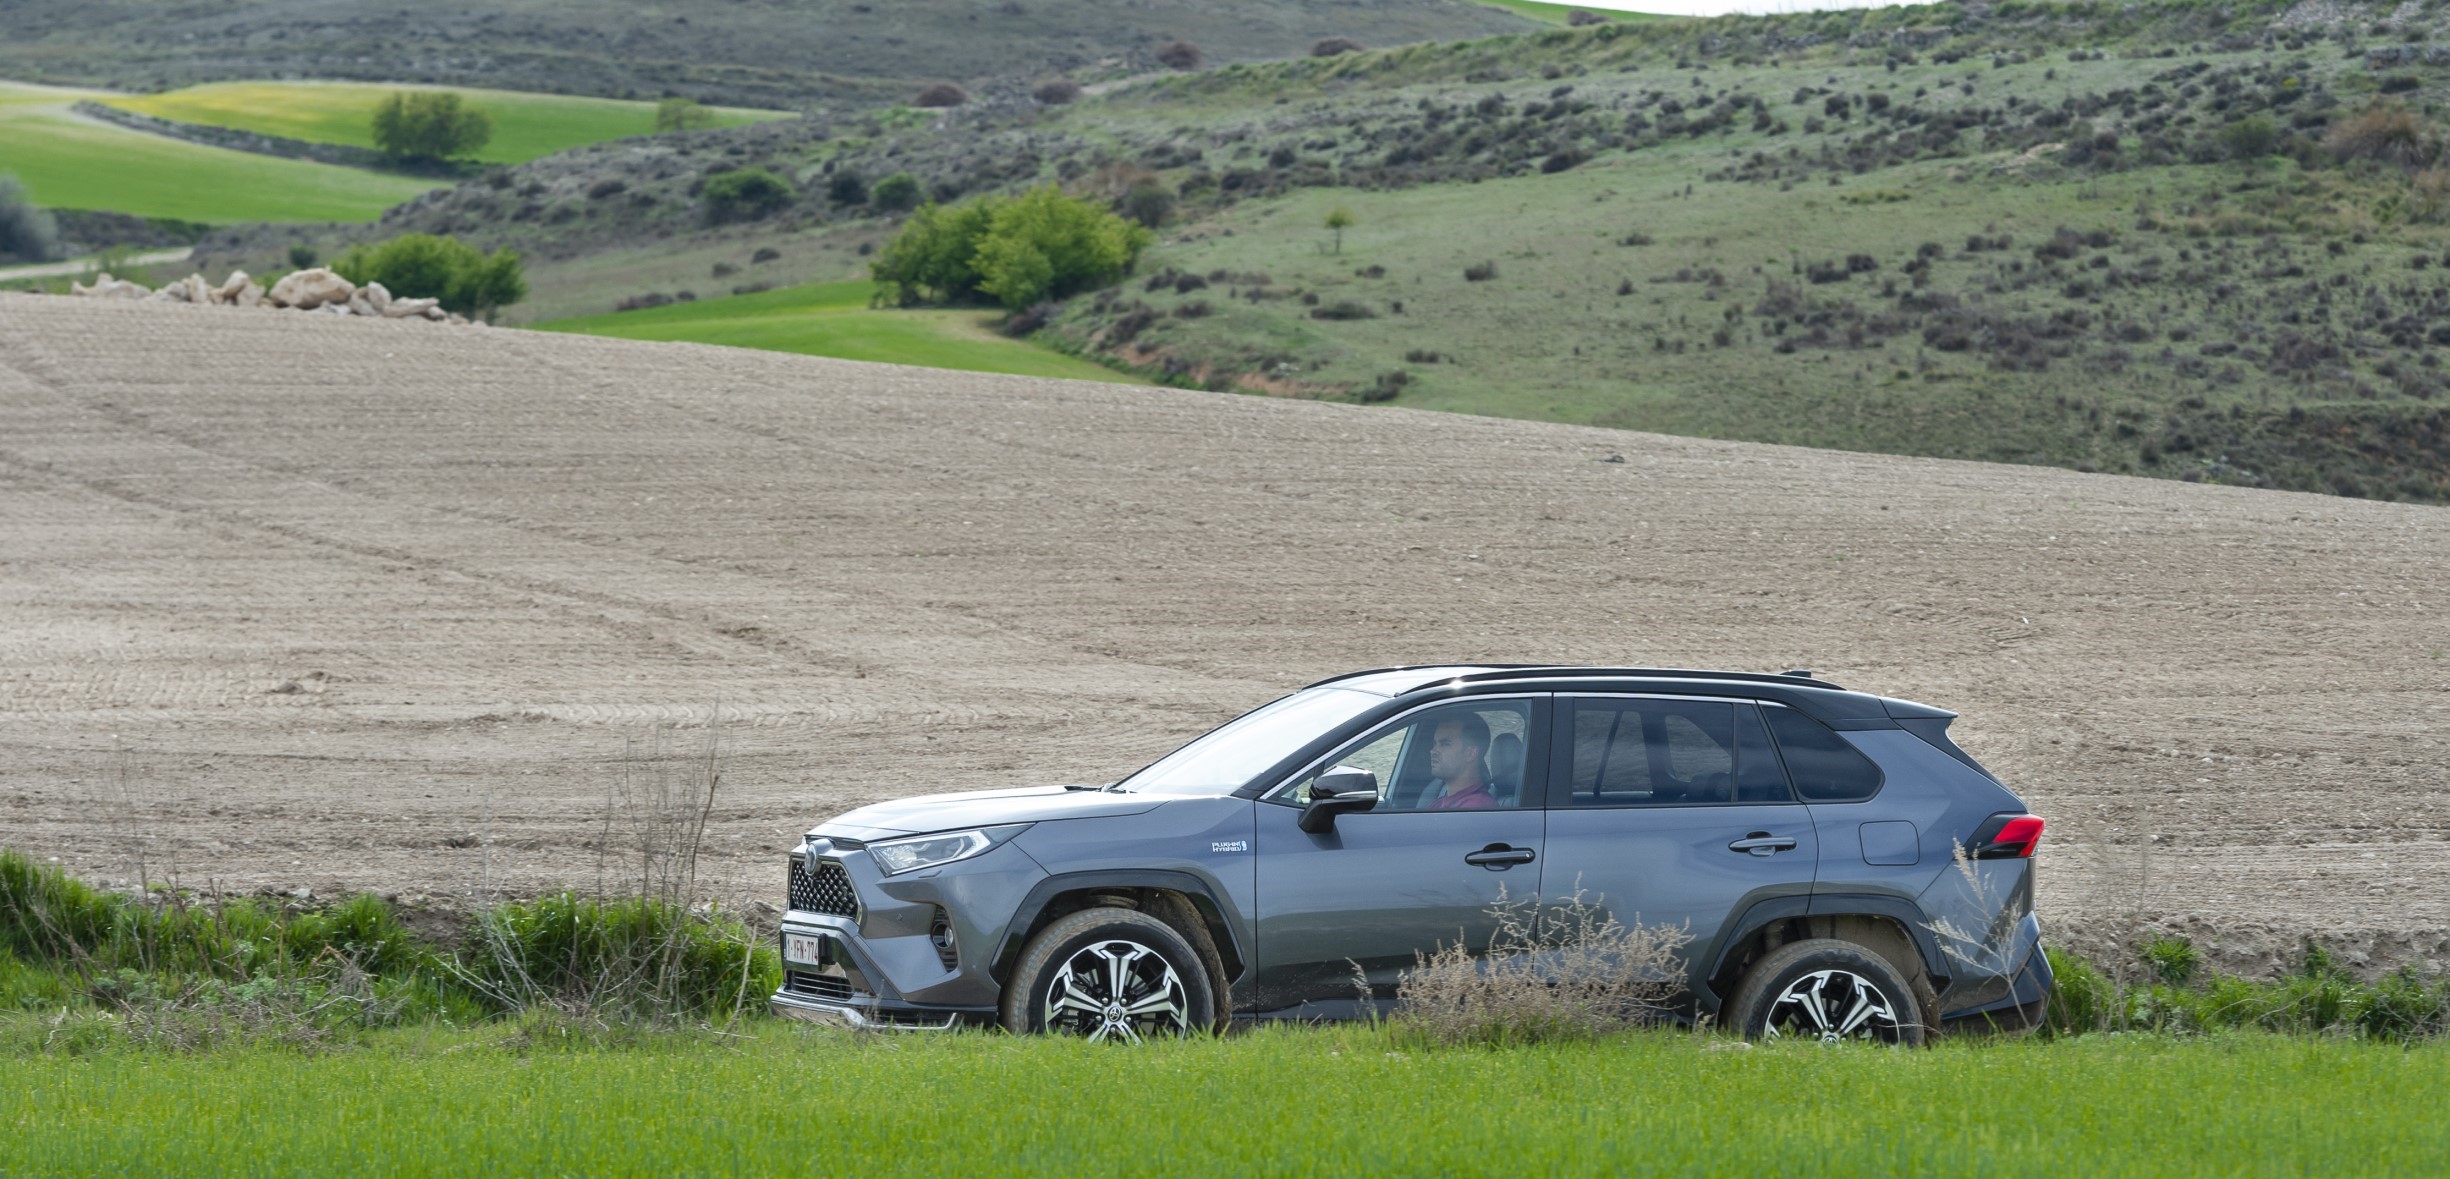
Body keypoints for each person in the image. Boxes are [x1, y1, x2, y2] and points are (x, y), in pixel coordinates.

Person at [1425, 714, 1498, 810]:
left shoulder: (1477, 807)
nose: (1433, 751)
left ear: (1470, 753)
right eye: (1434, 744)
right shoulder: (1439, 803)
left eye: (1445, 744)